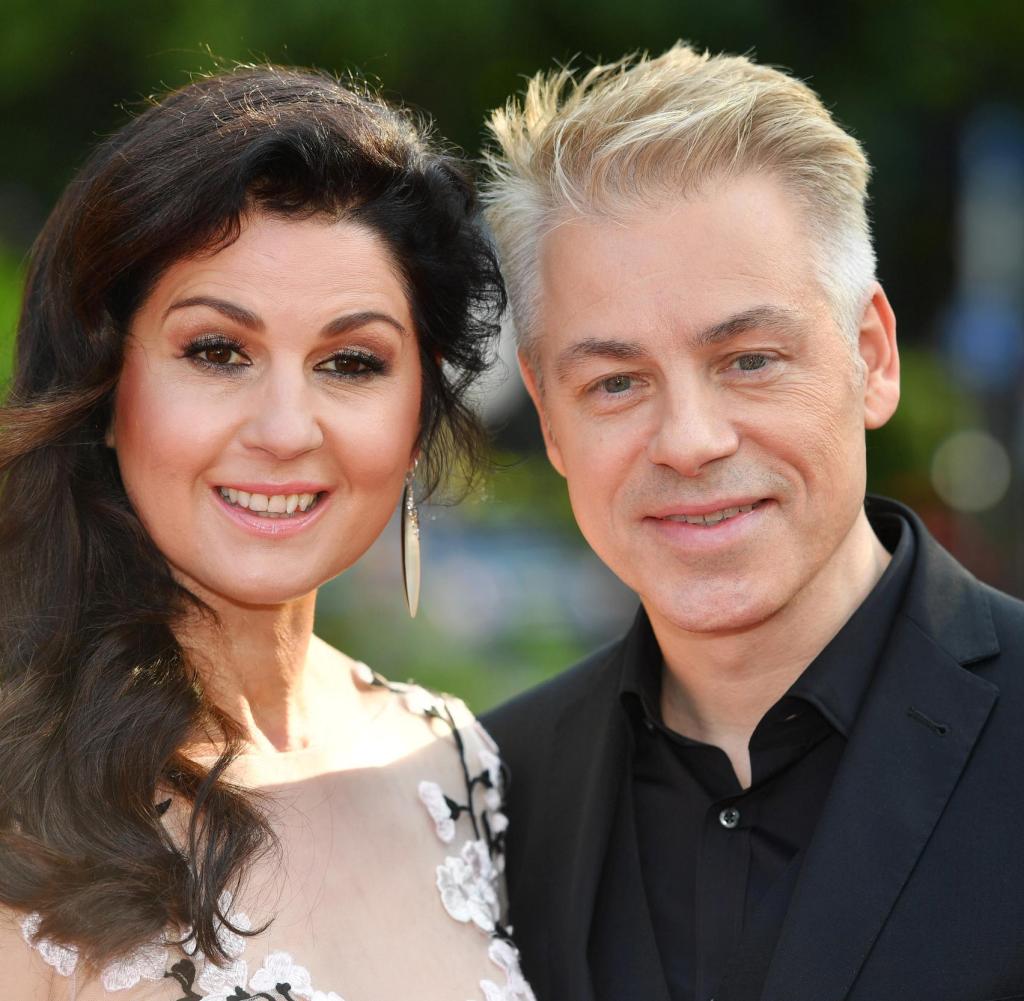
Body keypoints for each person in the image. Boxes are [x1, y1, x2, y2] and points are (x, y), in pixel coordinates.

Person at [481, 43, 1024, 1001]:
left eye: (749, 359)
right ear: (550, 418)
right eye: (616, 382)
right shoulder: (490, 792)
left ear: (873, 355)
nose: (689, 440)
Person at [0, 66, 535, 1001]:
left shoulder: (459, 763)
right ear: (106, 386)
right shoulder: (19, 799)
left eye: (350, 362)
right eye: (218, 352)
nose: (286, 428)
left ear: (419, 408)